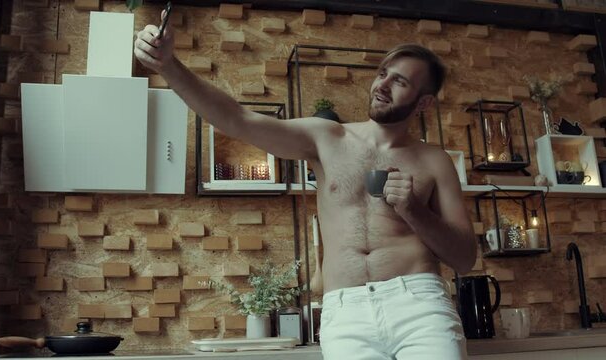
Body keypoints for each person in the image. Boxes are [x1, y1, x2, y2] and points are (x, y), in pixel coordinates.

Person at [135, 10, 476, 359]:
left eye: (400, 82)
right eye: (382, 74)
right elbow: (237, 120)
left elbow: (464, 258)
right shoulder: (327, 138)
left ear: (424, 103)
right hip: (346, 313)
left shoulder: (435, 161)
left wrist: (414, 210)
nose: (382, 86)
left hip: (418, 305)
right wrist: (169, 66)